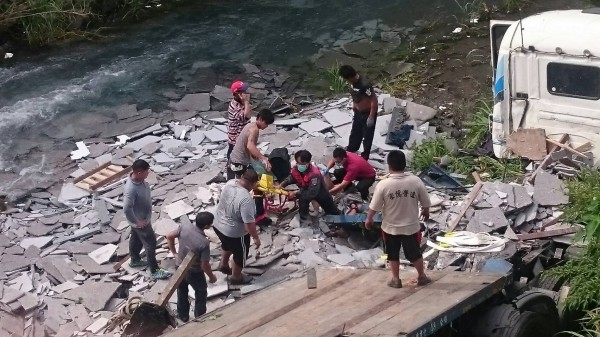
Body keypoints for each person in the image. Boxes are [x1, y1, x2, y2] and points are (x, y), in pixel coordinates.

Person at [365, 150, 432, 288]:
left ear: (389, 166)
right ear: (405, 164)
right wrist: (426, 211)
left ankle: (396, 279)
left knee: (392, 254)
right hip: (411, 226)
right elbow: (425, 203)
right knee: (415, 254)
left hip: (390, 227)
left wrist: (369, 219)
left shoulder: (383, 185)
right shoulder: (415, 181)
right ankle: (422, 276)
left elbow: (374, 207)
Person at [123, 159, 171, 280]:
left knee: (136, 238)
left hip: (142, 217)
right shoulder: (131, 189)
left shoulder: (139, 181)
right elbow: (126, 208)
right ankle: (154, 271)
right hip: (141, 221)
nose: (148, 173)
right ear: (139, 173)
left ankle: (134, 260)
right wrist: (136, 221)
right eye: (146, 172)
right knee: (150, 243)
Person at [166, 212, 217, 322]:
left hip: (179, 266)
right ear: (206, 226)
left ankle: (183, 316)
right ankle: (200, 316)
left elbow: (169, 236)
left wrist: (174, 253)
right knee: (201, 292)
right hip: (195, 272)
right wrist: (211, 277)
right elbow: (204, 264)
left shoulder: (185, 226)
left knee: (182, 291)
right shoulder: (203, 242)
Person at [213, 169, 262, 285]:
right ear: (253, 184)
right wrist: (255, 238)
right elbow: (249, 223)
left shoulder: (230, 183)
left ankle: (224, 264)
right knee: (240, 255)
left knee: (226, 245)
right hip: (234, 232)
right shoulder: (246, 200)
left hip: (218, 224)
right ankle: (236, 277)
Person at [228, 108, 276, 225]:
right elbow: (250, 146)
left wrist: (257, 158)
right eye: (266, 123)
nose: (266, 126)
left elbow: (250, 148)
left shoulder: (250, 125)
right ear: (260, 119)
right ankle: (256, 217)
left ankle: (253, 213)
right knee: (249, 188)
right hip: (238, 163)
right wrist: (263, 158)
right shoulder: (254, 130)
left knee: (248, 186)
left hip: (237, 160)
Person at [279, 150, 340, 221]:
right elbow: (292, 177)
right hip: (305, 189)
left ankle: (340, 221)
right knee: (302, 200)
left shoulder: (314, 174)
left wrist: (295, 193)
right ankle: (304, 217)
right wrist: (282, 184)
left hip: (320, 193)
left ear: (308, 162)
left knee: (331, 209)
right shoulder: (296, 168)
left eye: (302, 163)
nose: (300, 165)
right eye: (298, 163)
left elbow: (312, 192)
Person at [339, 65, 378, 160]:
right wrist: (354, 105)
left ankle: (365, 157)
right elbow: (354, 94)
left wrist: (371, 117)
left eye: (347, 79)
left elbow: (374, 101)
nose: (347, 81)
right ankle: (351, 150)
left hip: (367, 114)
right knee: (355, 133)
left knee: (367, 137)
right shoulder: (352, 84)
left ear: (350, 77)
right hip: (358, 113)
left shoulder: (365, 85)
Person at [227, 81, 252, 180]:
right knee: (234, 161)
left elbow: (249, 114)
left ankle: (241, 176)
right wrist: (246, 102)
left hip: (242, 137)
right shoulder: (234, 106)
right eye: (243, 92)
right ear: (238, 94)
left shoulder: (240, 103)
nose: (245, 93)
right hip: (235, 139)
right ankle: (231, 180)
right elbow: (246, 116)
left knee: (242, 160)